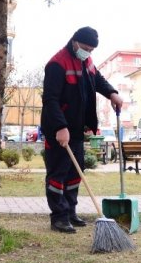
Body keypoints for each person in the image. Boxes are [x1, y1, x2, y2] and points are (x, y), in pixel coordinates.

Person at [41, 26, 123, 234]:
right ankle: (58, 217)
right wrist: (60, 127)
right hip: (58, 130)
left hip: (77, 129)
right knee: (58, 174)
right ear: (75, 42)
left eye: (91, 50)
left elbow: (97, 80)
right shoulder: (57, 64)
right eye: (86, 47)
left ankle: (70, 212)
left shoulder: (86, 61)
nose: (88, 52)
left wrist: (112, 93)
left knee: (74, 173)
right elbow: (50, 100)